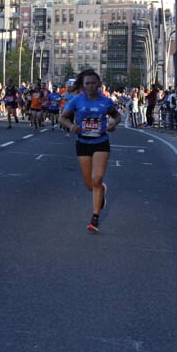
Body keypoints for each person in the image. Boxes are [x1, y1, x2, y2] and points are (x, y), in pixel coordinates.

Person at [60, 70, 121, 234]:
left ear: (98, 83)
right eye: (87, 83)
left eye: (93, 83)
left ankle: (95, 218)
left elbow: (117, 116)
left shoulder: (106, 101)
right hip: (83, 143)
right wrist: (71, 126)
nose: (90, 86)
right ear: (83, 85)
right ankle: (101, 190)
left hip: (101, 142)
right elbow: (62, 117)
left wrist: (113, 124)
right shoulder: (76, 100)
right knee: (90, 185)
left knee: (97, 178)